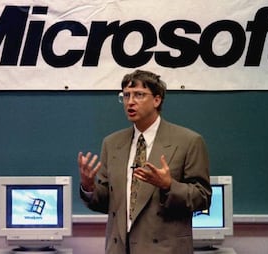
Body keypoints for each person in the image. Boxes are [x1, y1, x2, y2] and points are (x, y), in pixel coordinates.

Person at [78, 69, 212, 254]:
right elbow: (106, 203)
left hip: (164, 249)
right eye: (125, 96)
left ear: (157, 100)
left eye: (139, 95)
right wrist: (89, 187)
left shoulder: (188, 141)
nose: (130, 102)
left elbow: (202, 198)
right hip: (119, 249)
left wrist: (168, 186)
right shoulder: (112, 143)